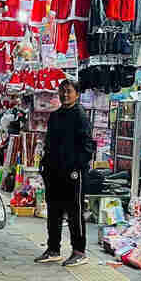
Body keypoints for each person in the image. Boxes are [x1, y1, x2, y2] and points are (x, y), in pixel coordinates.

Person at [35, 78, 95, 266]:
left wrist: (76, 166)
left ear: (77, 94)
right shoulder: (55, 116)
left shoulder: (80, 115)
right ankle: (53, 249)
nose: (65, 95)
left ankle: (79, 251)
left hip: (73, 174)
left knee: (74, 212)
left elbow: (88, 147)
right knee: (54, 211)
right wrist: (44, 165)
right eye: (62, 91)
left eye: (69, 91)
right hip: (54, 172)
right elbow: (49, 143)